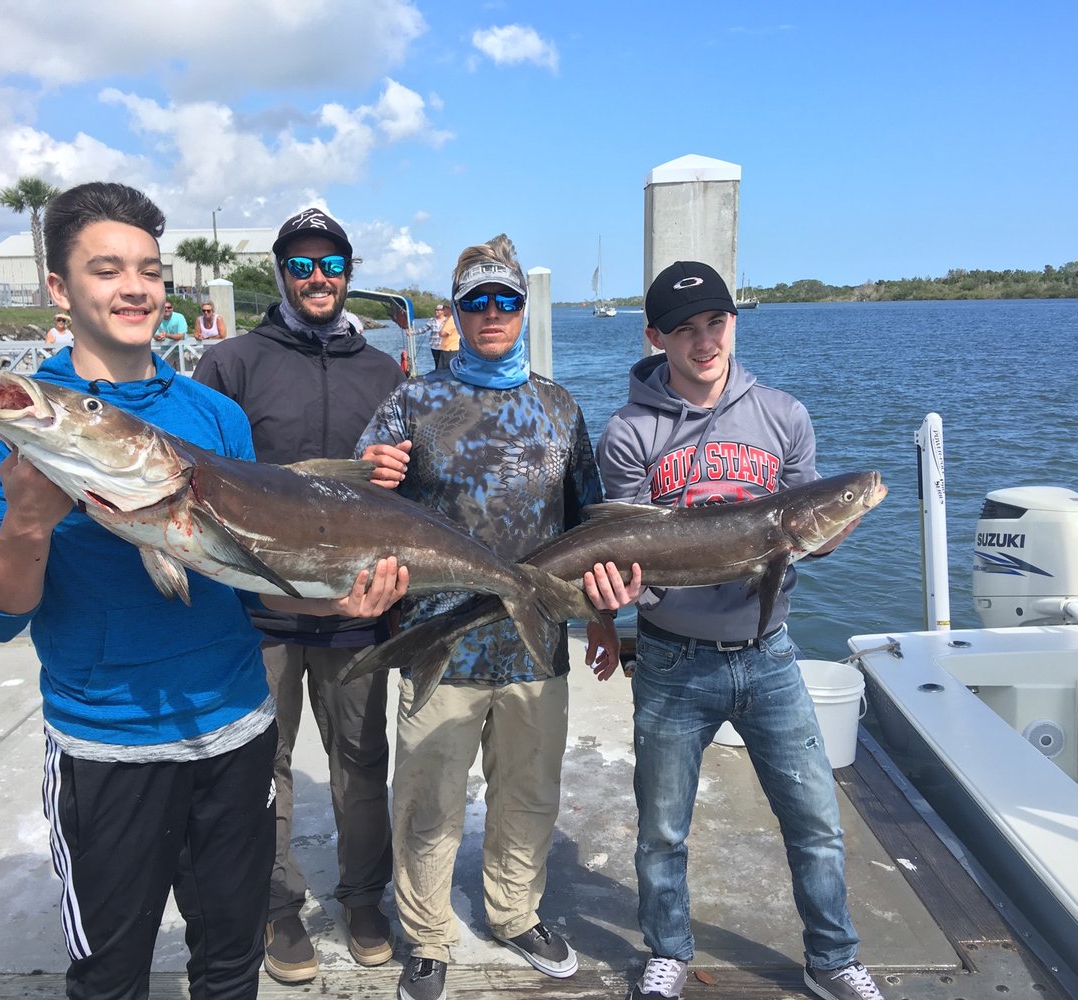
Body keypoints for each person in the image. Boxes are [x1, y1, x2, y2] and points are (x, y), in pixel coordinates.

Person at [0, 181, 408, 1000]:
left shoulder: (213, 416)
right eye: (106, 269)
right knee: (112, 976)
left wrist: (333, 601)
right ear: (60, 289)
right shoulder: (21, 426)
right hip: (108, 747)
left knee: (231, 966)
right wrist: (26, 523)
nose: (133, 287)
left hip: (236, 732)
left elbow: (243, 588)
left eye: (148, 270)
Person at [358, 234, 640, 1000]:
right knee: (427, 796)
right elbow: (358, 504)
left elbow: (590, 528)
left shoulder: (558, 406)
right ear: (454, 312)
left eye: (504, 300)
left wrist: (604, 621)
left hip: (536, 641)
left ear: (521, 309)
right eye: (475, 301)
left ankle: (514, 912)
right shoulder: (410, 402)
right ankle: (425, 934)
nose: (490, 313)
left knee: (527, 790)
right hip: (436, 644)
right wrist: (371, 476)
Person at [596, 260, 883, 1000]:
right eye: (684, 329)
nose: (703, 342)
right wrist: (612, 598)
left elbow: (810, 524)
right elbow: (624, 540)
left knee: (815, 821)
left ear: (734, 321)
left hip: (769, 657)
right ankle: (667, 951)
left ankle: (832, 959)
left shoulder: (784, 415)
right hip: (668, 660)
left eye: (715, 322)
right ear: (655, 336)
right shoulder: (629, 432)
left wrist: (833, 526)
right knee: (662, 831)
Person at [193, 207, 407, 985]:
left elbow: (412, 488)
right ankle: (278, 906)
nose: (317, 277)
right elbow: (194, 473)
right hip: (260, 608)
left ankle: (360, 897)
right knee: (265, 765)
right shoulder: (230, 363)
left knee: (359, 760)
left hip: (358, 602)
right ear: (281, 273)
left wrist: (395, 470)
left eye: (331, 263)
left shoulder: (383, 371)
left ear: (349, 270)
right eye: (301, 264)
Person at [435, 301, 459, 370]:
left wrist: (440, 332)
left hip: (451, 349)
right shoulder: (448, 319)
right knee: (442, 370)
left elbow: (443, 333)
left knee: (447, 370)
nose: (443, 311)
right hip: (446, 348)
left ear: (449, 309)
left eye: (444, 308)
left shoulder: (452, 319)